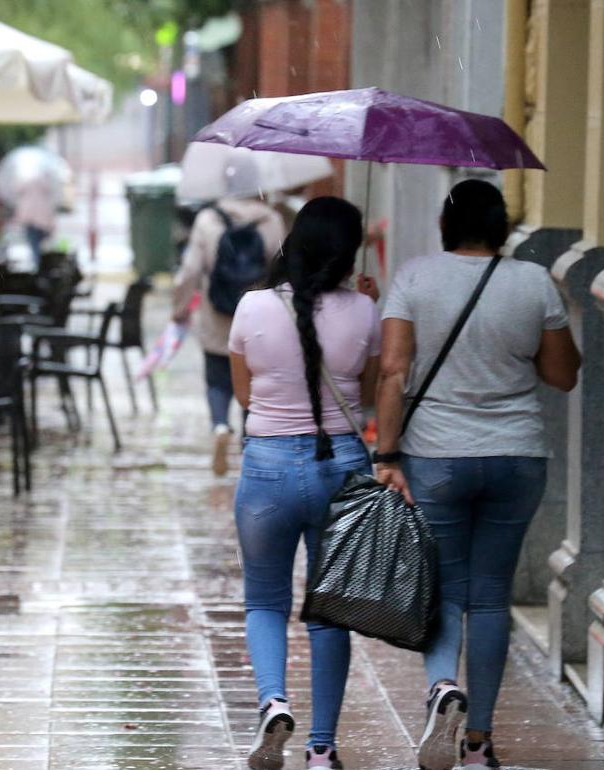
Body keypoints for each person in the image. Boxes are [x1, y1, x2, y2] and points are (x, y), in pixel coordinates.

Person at [372, 179, 581, 770]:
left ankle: (442, 686)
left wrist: (386, 455)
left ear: (446, 222)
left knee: (443, 590)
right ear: (501, 225)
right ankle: (479, 741)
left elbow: (392, 371)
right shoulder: (533, 281)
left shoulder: (414, 277)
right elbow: (564, 374)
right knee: (491, 599)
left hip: (436, 456)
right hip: (517, 456)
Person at [229, 196, 381, 770]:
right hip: (341, 465)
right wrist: (364, 307)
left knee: (264, 601)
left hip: (266, 466)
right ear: (347, 253)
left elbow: (246, 396)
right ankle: (322, 747)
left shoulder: (251, 308)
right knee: (330, 610)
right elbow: (365, 393)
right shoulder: (365, 311)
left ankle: (272, 702)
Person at [172, 161, 284, 476]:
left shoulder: (208, 220)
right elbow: (282, 271)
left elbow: (190, 271)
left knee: (218, 378)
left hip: (216, 315)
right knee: (256, 381)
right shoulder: (271, 220)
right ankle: (251, 443)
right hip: (259, 317)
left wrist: (179, 307)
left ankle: (220, 427)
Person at [11, 174, 57, 271]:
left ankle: (36, 264)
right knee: (38, 245)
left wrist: (21, 219)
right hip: (42, 224)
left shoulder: (26, 190)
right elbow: (49, 211)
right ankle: (39, 264)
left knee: (34, 244)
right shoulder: (45, 192)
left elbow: (23, 209)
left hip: (31, 222)